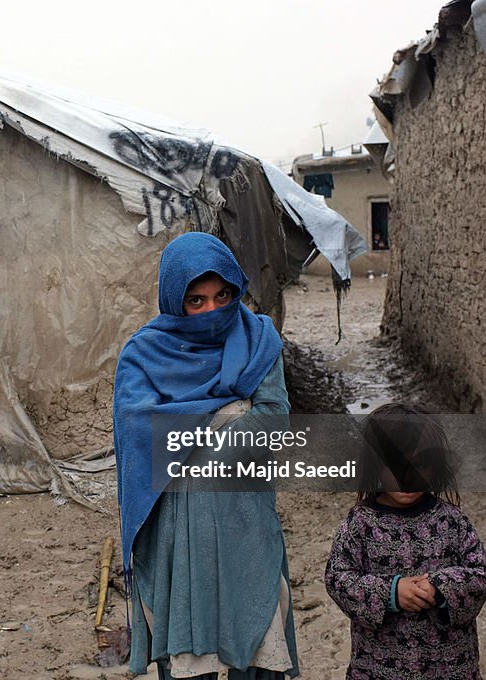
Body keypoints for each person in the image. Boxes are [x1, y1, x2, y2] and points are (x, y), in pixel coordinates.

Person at [113, 232, 299, 679]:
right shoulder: (142, 356)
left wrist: (189, 434)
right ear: (175, 302)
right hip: (177, 532)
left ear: (236, 290)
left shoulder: (258, 342)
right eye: (196, 301)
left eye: (222, 296)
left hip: (245, 522)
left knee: (257, 645)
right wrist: (233, 416)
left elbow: (274, 422)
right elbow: (142, 436)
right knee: (190, 658)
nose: (212, 311)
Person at [325, 403, 486, 679]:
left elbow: (482, 575)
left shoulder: (452, 521)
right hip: (378, 669)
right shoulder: (360, 524)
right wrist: (391, 592)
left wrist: (439, 588)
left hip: (450, 667)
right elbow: (337, 578)